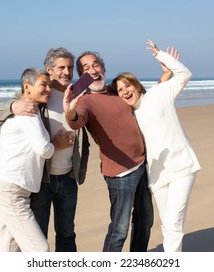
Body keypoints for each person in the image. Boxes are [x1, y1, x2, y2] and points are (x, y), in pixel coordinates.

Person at [0, 48, 89, 252]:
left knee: (67, 235)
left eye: (70, 67)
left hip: (68, 178)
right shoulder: (38, 95)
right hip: (42, 180)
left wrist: (79, 171)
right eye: (61, 67)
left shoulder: (79, 94)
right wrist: (12, 106)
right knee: (36, 239)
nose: (66, 72)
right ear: (49, 69)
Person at [110, 40, 201, 252]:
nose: (124, 91)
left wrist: (162, 56)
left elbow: (185, 74)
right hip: (157, 175)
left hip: (181, 167)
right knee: (167, 224)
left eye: (127, 86)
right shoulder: (128, 114)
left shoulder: (160, 94)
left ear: (136, 85)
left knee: (173, 224)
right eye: (119, 90)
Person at [63, 51, 154, 252]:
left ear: (103, 68)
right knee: (119, 230)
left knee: (145, 222)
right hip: (120, 173)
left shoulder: (116, 91)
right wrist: (69, 111)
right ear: (82, 77)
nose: (92, 71)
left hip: (141, 165)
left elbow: (141, 95)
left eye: (96, 65)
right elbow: (76, 121)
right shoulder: (85, 101)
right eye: (86, 69)